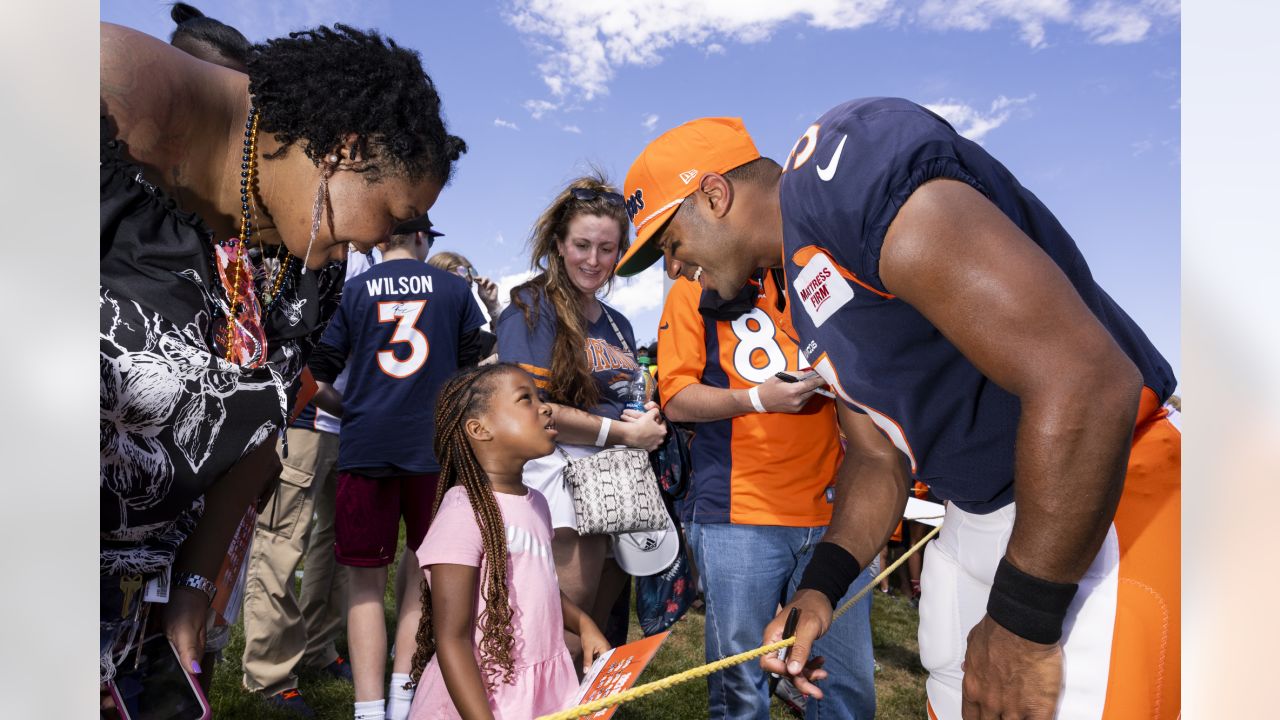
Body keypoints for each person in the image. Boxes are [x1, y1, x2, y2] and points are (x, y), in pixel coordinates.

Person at [616, 101, 1180, 719]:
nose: (673, 267)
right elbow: (877, 453)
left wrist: (1024, 621)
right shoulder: (804, 284)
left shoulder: (845, 172)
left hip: (1094, 500)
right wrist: (821, 585)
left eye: (671, 243)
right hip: (983, 509)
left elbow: (1083, 378)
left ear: (716, 195)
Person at [100, 17, 466, 691]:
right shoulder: (105, 101)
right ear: (343, 151)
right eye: (391, 215)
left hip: (127, 620)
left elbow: (260, 427)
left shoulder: (301, 251)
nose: (369, 245)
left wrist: (192, 588)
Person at [657, 273, 878, 719]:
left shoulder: (813, 275)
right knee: (741, 689)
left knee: (847, 688)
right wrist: (758, 399)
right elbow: (676, 397)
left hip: (834, 511)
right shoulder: (693, 287)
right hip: (740, 512)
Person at [309, 223, 489, 720]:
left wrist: (355, 411)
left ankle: (368, 709)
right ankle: (404, 695)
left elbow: (316, 374)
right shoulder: (455, 287)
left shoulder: (354, 289)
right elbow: (477, 363)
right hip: (432, 448)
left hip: (367, 446)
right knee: (422, 575)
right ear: (421, 238)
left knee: (365, 583)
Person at [495, 175, 668, 668]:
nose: (594, 260)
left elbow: (625, 391)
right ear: (558, 245)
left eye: (607, 248)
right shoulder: (532, 309)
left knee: (599, 623)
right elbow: (533, 410)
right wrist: (622, 431)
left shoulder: (618, 322)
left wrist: (645, 414)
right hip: (564, 484)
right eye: (582, 245)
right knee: (566, 630)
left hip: (620, 486)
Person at [406, 364, 611, 719]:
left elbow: (537, 584)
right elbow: (452, 639)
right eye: (525, 400)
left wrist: (582, 623)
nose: (545, 407)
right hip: (482, 698)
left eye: (541, 398)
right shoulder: (463, 513)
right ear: (479, 429)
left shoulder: (538, 503)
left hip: (537, 686)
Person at [240, 248, 385, 716]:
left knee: (338, 546)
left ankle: (320, 648)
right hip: (305, 417)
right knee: (282, 540)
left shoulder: (374, 259)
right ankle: (269, 674)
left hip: (350, 426)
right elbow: (286, 328)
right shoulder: (314, 243)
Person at [427, 250, 504, 330]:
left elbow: (510, 339)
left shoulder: (471, 332)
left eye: (469, 286)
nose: (463, 292)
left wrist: (493, 306)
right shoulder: (419, 329)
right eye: (456, 285)